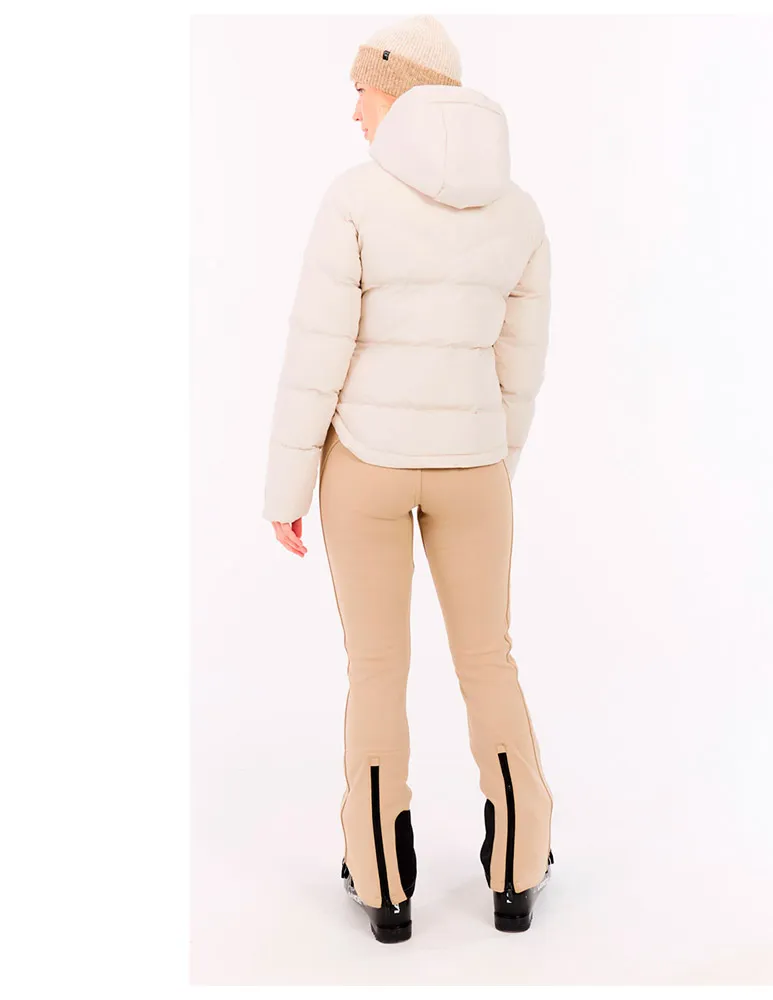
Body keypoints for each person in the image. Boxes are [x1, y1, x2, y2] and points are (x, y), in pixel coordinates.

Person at [261, 14, 554, 943]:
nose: (354, 111)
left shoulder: (354, 199)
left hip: (366, 466)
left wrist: (286, 490)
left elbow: (317, 355)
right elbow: (519, 366)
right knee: (489, 661)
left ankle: (384, 883)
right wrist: (493, 460)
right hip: (474, 469)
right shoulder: (519, 211)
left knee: (377, 671)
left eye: (362, 90)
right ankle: (519, 868)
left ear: (398, 88)